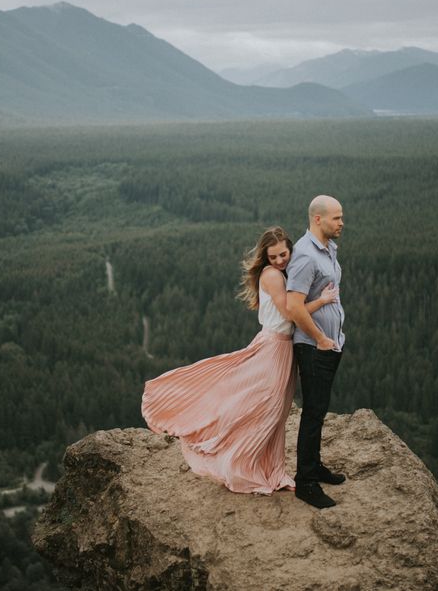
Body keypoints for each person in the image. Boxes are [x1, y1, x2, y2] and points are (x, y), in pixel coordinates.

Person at [141, 226, 338, 494]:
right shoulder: (273, 276)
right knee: (266, 410)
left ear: (290, 250)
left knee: (276, 414)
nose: (280, 260)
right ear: (265, 259)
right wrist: (323, 300)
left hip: (281, 350)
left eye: (284, 254)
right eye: (274, 257)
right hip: (274, 350)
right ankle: (241, 463)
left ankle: (271, 469)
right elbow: (292, 313)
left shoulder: (280, 273)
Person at [286, 195, 346, 509]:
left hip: (329, 344)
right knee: (312, 412)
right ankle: (306, 483)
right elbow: (293, 307)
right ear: (318, 219)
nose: (342, 223)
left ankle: (315, 465)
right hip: (313, 347)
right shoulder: (306, 255)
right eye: (336, 218)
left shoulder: (327, 249)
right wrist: (321, 339)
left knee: (319, 410)